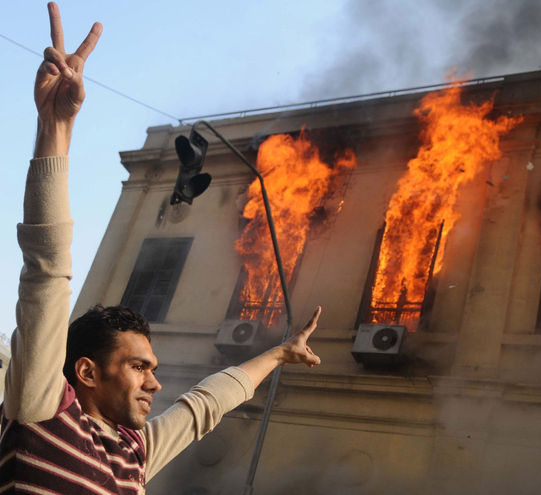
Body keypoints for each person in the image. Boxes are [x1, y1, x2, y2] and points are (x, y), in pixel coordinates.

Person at [0, 3, 321, 493]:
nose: (155, 385)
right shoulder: (41, 410)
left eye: (151, 370)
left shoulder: (135, 451)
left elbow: (204, 406)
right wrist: (54, 129)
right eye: (139, 368)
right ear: (85, 371)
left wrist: (278, 355)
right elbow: (47, 270)